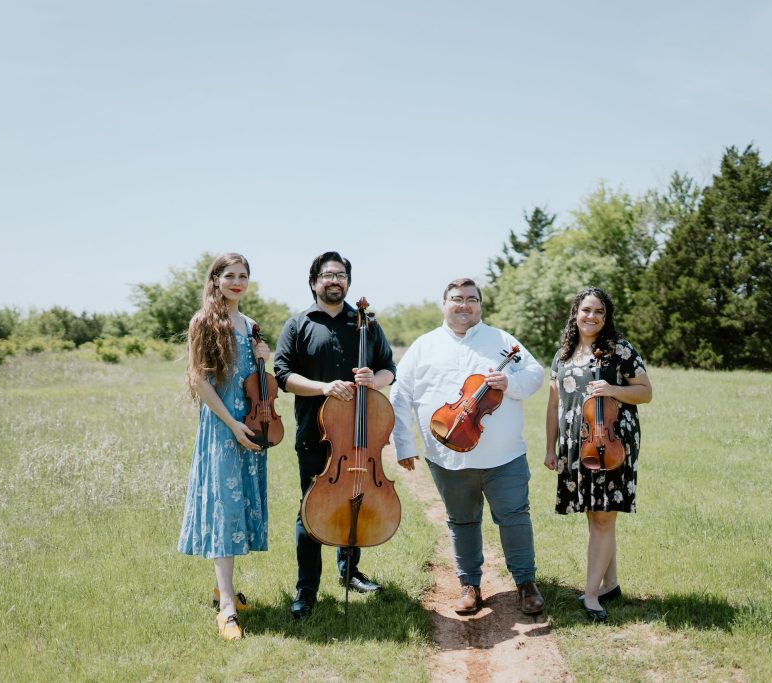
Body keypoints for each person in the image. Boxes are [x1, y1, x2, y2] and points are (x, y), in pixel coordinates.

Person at [391, 277, 546, 615]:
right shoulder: (423, 346)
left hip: (504, 454)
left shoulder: (502, 340)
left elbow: (535, 374)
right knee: (461, 520)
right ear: (444, 303)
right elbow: (399, 395)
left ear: (480, 305)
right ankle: (469, 585)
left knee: (515, 516)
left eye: (471, 299)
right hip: (446, 454)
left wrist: (511, 382)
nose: (464, 305)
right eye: (457, 298)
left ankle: (526, 583)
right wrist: (403, 444)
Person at [274, 251, 396, 619]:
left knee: (355, 501)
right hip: (316, 434)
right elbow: (283, 375)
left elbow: (389, 368)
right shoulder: (298, 324)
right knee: (310, 511)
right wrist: (324, 388)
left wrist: (373, 380)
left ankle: (349, 572)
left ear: (348, 282)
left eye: (341, 275)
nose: (334, 280)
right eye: (327, 274)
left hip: (359, 440)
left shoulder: (367, 325)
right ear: (314, 282)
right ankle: (306, 588)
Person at [544, 287, 652, 622]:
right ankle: (610, 584)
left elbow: (645, 392)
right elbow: (553, 404)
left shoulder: (619, 349)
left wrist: (613, 389)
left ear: (606, 318)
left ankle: (591, 596)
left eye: (599, 312)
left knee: (604, 517)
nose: (592, 317)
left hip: (611, 442)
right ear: (575, 312)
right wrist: (551, 447)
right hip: (577, 445)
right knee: (597, 515)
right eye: (587, 310)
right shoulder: (563, 354)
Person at [177, 253, 271, 641]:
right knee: (223, 510)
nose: (237, 281)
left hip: (249, 424)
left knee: (238, 512)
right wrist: (231, 424)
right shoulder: (204, 321)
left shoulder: (250, 325)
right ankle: (227, 610)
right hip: (222, 426)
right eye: (229, 275)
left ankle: (223, 590)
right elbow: (199, 381)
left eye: (243, 275)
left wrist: (266, 359)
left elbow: (255, 379)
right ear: (215, 279)